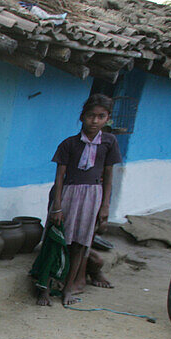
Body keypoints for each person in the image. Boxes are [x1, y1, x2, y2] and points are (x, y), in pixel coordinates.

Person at [46, 94, 123, 306]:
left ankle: (69, 288)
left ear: (108, 118)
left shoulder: (109, 142)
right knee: (59, 239)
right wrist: (57, 206)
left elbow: (108, 176)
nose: (95, 121)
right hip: (68, 194)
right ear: (82, 117)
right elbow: (59, 177)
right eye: (91, 116)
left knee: (81, 242)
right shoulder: (69, 144)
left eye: (101, 116)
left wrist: (105, 205)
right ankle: (50, 284)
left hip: (92, 196)